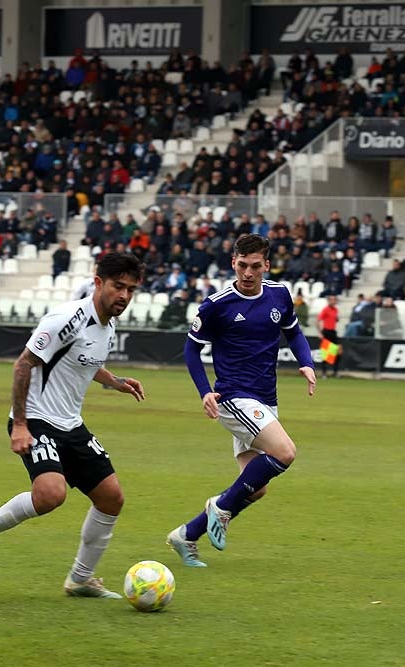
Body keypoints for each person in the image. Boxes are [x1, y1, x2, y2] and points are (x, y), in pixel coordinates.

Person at [0, 253, 146, 600]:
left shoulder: (108, 324)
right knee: (50, 494)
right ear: (99, 282)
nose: (124, 296)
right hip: (37, 418)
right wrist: (20, 425)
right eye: (119, 287)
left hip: (71, 424)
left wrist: (114, 381)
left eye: (131, 290)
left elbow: (84, 363)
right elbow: (23, 365)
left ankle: (80, 579)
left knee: (111, 499)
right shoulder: (67, 319)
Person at [167, 234, 316, 567]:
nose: (248, 273)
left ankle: (187, 534)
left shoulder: (279, 294)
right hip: (233, 397)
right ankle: (219, 509)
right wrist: (205, 390)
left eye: (255, 266)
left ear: (266, 265)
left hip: (266, 399)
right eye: (243, 265)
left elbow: (293, 331)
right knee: (285, 452)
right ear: (233, 263)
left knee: (255, 487)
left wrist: (306, 361)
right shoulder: (217, 305)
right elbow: (191, 349)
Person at [317, 294, 340, 378]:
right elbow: (318, 320)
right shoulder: (325, 309)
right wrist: (320, 332)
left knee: (337, 352)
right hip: (326, 332)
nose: (334, 301)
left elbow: (336, 319)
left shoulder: (336, 310)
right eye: (332, 300)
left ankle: (335, 371)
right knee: (325, 353)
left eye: (335, 300)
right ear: (329, 301)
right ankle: (324, 373)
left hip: (333, 332)